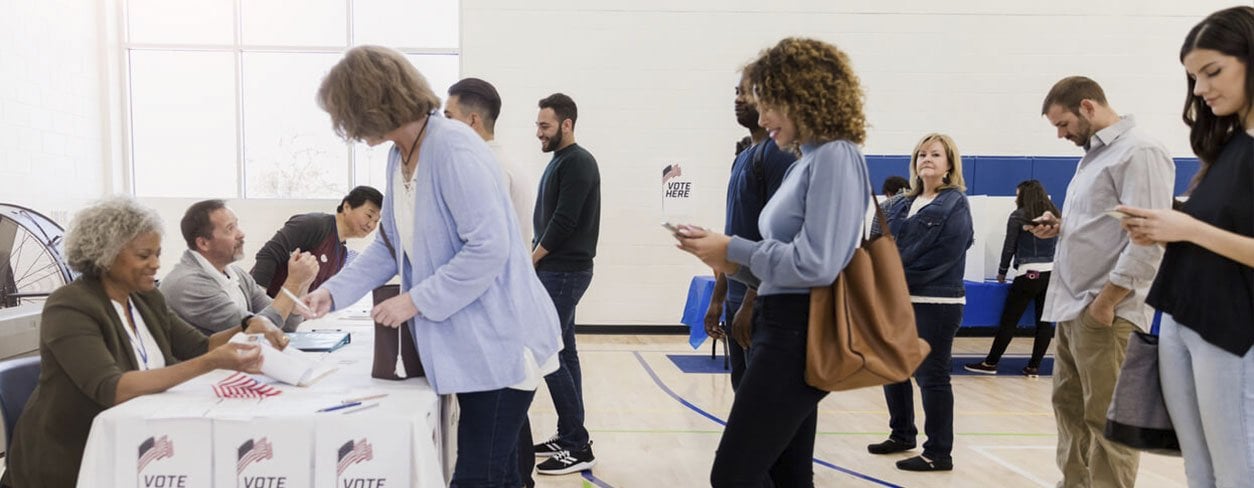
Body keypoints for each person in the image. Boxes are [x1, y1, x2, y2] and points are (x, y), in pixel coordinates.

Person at [304, 45, 560, 488]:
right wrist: (333, 292)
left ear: (372, 104)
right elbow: (389, 245)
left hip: (499, 344)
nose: (347, 128)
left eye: (348, 115)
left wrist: (415, 301)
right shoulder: (398, 156)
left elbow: (489, 249)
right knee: (497, 476)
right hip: (466, 346)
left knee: (477, 477)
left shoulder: (454, 148)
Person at [674, 37, 871, 487]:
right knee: (788, 472)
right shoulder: (809, 158)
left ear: (802, 95)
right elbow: (786, 262)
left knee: (734, 473)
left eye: (769, 105)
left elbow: (816, 264)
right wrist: (723, 256)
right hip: (782, 324)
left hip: (797, 332)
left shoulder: (836, 156)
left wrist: (734, 250)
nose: (760, 118)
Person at [0, 197, 282, 488]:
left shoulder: (146, 298)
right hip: (74, 459)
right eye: (144, 255)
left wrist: (248, 326)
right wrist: (212, 363)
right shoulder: (70, 305)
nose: (156, 264)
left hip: (142, 442)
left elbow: (201, 347)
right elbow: (112, 388)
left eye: (158, 254)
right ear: (106, 255)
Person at [1118, 7, 1254, 486]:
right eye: (1194, 77)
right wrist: (1162, 226)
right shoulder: (1231, 142)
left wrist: (1186, 228)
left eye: (1212, 72)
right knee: (1201, 467)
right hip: (1184, 319)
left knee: (1237, 469)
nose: (1200, 89)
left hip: (1233, 331)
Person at [1032, 76, 1174, 488]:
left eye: (1063, 124)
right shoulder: (1093, 157)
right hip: (1072, 305)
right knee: (1069, 410)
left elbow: (1149, 239)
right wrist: (1061, 227)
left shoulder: (1140, 151)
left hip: (1107, 311)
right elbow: (1106, 226)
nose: (1061, 135)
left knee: (1108, 422)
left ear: (1088, 107)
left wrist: (1108, 301)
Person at [444, 76, 544, 488]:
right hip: (498, 326)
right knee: (499, 458)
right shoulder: (500, 164)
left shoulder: (489, 170)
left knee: (484, 464)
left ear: (471, 121)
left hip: (495, 327)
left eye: (447, 117)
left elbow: (481, 255)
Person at [866, 133, 974, 472]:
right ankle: (902, 434)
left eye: (936, 154)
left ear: (949, 164)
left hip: (935, 303)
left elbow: (945, 255)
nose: (927, 159)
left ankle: (938, 452)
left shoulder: (955, 203)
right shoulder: (897, 203)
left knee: (932, 376)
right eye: (922, 154)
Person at [702, 68, 796, 391]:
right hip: (737, 298)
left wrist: (752, 300)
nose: (738, 100)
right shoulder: (744, 157)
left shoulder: (779, 155)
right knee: (743, 394)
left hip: (765, 302)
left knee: (767, 403)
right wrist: (719, 296)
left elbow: (780, 237)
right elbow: (736, 235)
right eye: (736, 92)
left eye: (746, 93)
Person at [529, 92, 602, 475]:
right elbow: (547, 220)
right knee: (564, 351)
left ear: (567, 124)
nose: (538, 132)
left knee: (548, 352)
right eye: (538, 125)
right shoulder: (561, 161)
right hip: (555, 269)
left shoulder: (579, 163)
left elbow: (564, 222)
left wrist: (533, 259)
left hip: (564, 271)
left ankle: (578, 444)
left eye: (545, 126)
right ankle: (569, 433)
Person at [161, 199, 316, 335]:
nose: (241, 234)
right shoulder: (189, 284)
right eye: (230, 229)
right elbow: (258, 331)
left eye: (237, 225)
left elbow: (286, 325)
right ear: (203, 243)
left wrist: (303, 283)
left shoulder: (237, 274)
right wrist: (293, 282)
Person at [965, 179, 1058, 377]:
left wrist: (1002, 271)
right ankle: (1034, 367)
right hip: (1051, 273)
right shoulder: (1054, 215)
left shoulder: (1018, 216)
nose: (1016, 199)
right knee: (1044, 323)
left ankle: (991, 362)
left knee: (1009, 321)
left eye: (1018, 195)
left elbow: (1010, 246)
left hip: (1028, 273)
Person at [446, 77, 537, 245]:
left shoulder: (485, 170)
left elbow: (484, 245)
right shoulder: (505, 164)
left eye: (449, 117)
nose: (444, 126)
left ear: (473, 120)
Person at [249, 185, 382, 297]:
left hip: (287, 318)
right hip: (261, 310)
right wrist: (259, 304)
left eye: (376, 221)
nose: (371, 225)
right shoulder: (314, 224)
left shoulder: (341, 253)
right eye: (369, 215)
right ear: (347, 207)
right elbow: (268, 254)